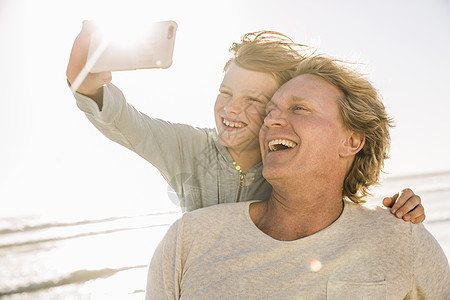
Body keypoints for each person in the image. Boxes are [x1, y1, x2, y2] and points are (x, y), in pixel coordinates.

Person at [146, 55, 450, 299]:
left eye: (300, 109)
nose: (272, 119)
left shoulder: (400, 238)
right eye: (270, 110)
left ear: (351, 141)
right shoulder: (188, 239)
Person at [66, 21, 424, 221]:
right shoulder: (188, 147)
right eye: (226, 92)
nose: (231, 109)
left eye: (255, 100)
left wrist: (400, 208)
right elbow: (126, 123)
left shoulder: (291, 165)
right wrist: (88, 84)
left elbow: (331, 195)